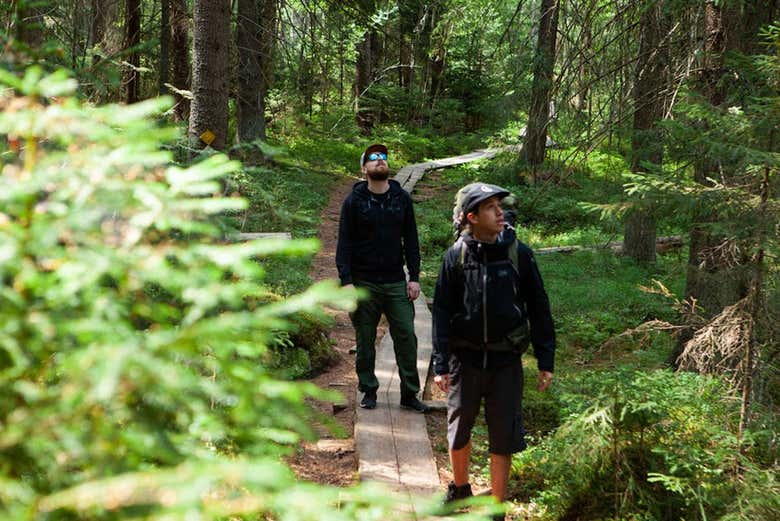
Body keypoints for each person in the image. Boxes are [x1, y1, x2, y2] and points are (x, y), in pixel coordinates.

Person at [432, 183, 556, 519]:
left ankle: (497, 508)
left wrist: (546, 359)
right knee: (459, 428)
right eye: (490, 208)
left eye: (500, 206)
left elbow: (539, 306)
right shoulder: (456, 256)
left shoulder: (519, 253)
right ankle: (459, 490)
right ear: (472, 217)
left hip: (506, 361)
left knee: (503, 434)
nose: (500, 212)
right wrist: (440, 363)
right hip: (464, 359)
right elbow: (442, 311)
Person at [336, 143, 429, 413]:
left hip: (395, 281)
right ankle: (369, 389)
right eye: (374, 158)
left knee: (407, 336)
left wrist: (414, 278)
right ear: (364, 168)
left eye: (384, 158)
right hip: (364, 282)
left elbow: (411, 240)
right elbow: (344, 245)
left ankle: (410, 393)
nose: (380, 161)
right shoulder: (353, 202)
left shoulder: (401, 200)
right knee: (365, 339)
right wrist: (348, 282)